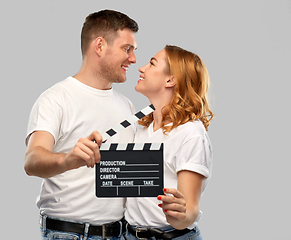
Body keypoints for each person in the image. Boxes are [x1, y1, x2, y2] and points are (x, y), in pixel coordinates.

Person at [24, 10, 138, 240]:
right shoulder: (56, 99)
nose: (133, 59)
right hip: (70, 234)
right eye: (127, 49)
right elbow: (32, 160)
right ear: (100, 46)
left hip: (120, 232)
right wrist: (68, 159)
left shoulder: (128, 106)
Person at [124, 45, 214, 240]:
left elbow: (189, 210)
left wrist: (180, 215)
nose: (141, 68)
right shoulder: (141, 129)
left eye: (152, 63)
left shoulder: (190, 133)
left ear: (170, 80)